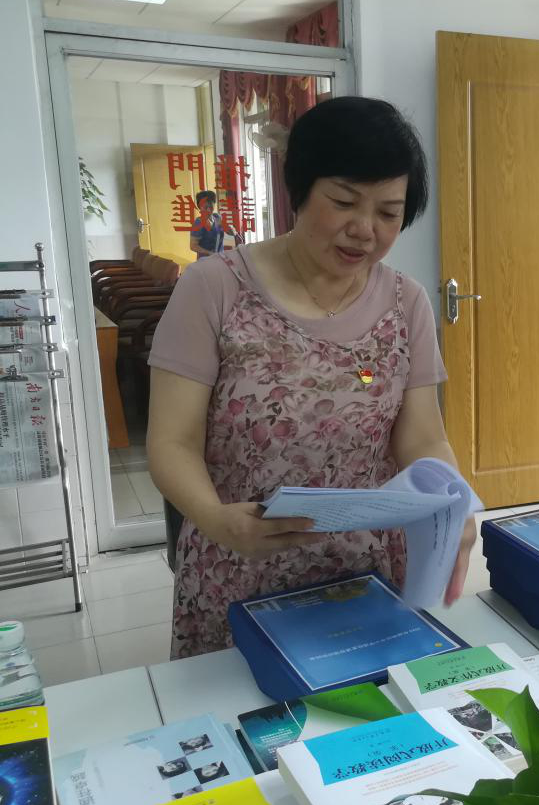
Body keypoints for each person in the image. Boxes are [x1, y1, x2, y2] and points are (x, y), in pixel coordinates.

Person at [147, 97, 477, 658]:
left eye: (388, 213)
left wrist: (454, 502)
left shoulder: (407, 302)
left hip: (367, 571)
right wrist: (215, 520)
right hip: (240, 563)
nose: (364, 230)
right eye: (343, 202)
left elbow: (423, 438)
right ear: (298, 190)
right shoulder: (214, 288)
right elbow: (171, 442)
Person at [189, 190, 241, 259]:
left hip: (220, 257)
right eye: (205, 207)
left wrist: (232, 230)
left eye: (211, 206)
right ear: (199, 207)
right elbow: (193, 246)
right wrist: (210, 253)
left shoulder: (217, 217)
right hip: (206, 260)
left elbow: (230, 232)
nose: (208, 210)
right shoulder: (198, 223)